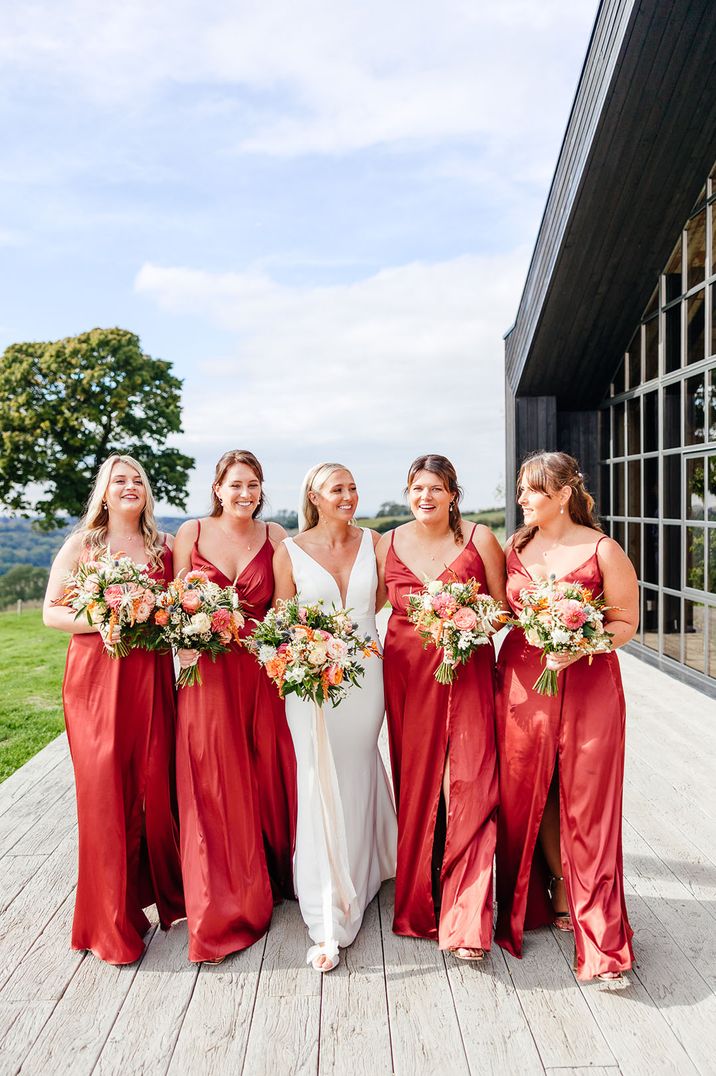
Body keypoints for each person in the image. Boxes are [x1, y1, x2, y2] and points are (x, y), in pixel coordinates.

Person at [495, 450, 637, 982]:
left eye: (531, 490)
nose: (522, 499)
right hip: (521, 683)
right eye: (520, 490)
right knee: (531, 792)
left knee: (588, 800)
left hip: (590, 684)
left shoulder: (602, 549)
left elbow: (626, 622)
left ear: (561, 494)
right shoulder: (516, 547)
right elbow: (506, 611)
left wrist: (582, 646)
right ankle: (552, 888)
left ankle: (602, 937)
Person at [43, 454, 184, 964]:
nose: (130, 486)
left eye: (138, 480)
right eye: (118, 480)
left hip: (148, 679)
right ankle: (108, 922)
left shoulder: (163, 548)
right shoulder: (82, 545)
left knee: (151, 788)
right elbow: (50, 611)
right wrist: (102, 616)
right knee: (104, 795)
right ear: (102, 492)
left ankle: (159, 898)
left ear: (147, 492)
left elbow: (176, 608)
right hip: (96, 682)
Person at [377, 453, 506, 960]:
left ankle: (467, 916)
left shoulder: (480, 539)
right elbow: (362, 604)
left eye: (435, 488)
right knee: (418, 784)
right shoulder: (386, 541)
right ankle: (420, 900)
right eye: (416, 489)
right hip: (406, 677)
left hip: (466, 672)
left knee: (470, 784)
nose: (424, 497)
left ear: (453, 493)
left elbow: (502, 608)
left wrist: (468, 623)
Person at [272, 463, 396, 972]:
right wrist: (309, 653)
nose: (347, 496)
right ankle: (328, 909)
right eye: (335, 489)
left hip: (366, 674)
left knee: (360, 767)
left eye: (351, 487)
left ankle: (366, 872)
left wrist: (356, 638)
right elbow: (281, 619)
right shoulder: (291, 551)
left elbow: (384, 598)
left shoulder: (378, 543)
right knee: (319, 777)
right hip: (312, 683)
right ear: (314, 497)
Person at [173, 449, 296, 963]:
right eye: (235, 485)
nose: (245, 494)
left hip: (260, 672)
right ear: (217, 488)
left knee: (265, 775)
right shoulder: (190, 534)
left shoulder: (277, 538)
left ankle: (272, 874)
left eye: (254, 485)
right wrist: (188, 636)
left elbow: (286, 610)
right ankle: (218, 903)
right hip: (207, 674)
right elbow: (176, 601)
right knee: (212, 782)